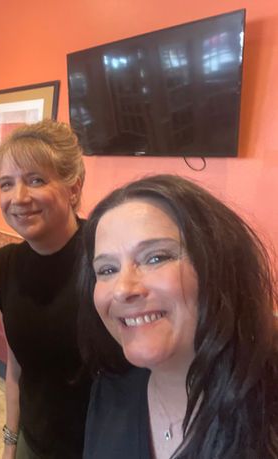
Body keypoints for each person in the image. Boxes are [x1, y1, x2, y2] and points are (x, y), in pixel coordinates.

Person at [79, 174, 278, 459]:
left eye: (156, 258)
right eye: (107, 270)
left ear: (219, 266)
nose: (122, 289)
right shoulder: (109, 395)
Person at [0, 119, 93, 458]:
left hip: (100, 446)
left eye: (35, 180)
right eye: (7, 184)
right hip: (34, 442)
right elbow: (15, 365)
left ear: (73, 189)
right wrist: (10, 441)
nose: (18, 198)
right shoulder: (5, 264)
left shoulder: (105, 258)